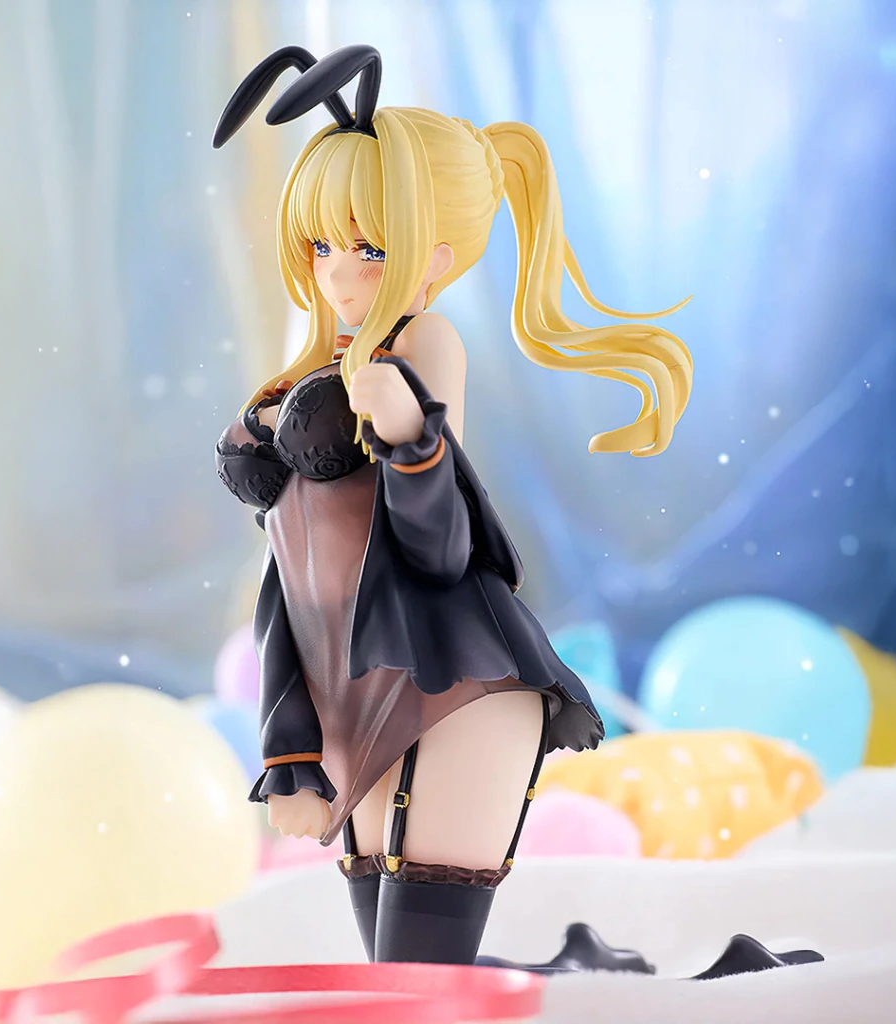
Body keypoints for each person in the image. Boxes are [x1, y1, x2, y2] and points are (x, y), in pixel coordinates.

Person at [212, 43, 692, 967]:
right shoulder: (313, 368)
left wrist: (414, 442)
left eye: (371, 249)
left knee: (416, 980)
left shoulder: (423, 343)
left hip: (451, 685)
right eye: (322, 245)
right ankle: (585, 976)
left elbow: (439, 551)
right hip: (350, 697)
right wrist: (289, 752)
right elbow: (291, 590)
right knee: (405, 986)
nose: (339, 273)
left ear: (432, 258)